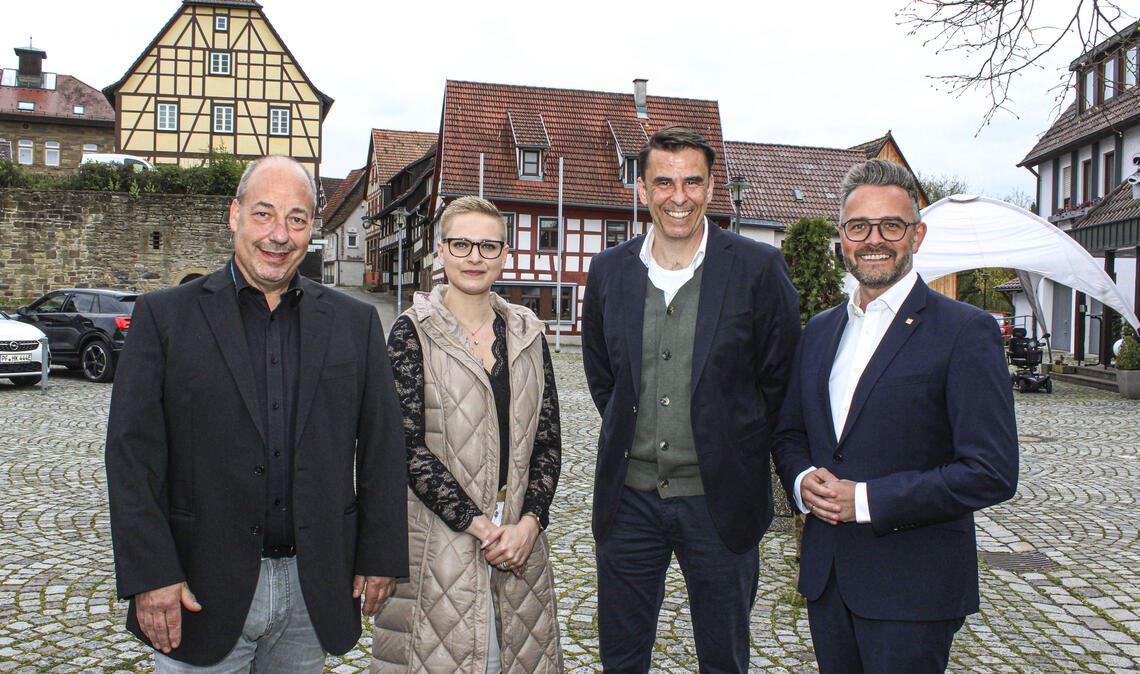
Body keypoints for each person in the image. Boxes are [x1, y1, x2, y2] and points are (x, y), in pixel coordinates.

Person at [105, 156, 408, 671]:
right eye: (264, 214)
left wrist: (380, 555)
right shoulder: (164, 318)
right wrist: (150, 572)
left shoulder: (354, 324)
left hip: (314, 586)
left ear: (313, 227)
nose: (279, 235)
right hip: (197, 585)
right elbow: (132, 456)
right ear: (234, 215)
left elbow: (381, 446)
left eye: (296, 219)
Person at [772, 158, 1019, 673]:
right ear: (842, 236)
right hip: (828, 578)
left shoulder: (963, 332)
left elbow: (991, 471)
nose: (875, 239)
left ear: (917, 234)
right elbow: (791, 431)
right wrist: (800, 481)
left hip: (914, 588)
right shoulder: (819, 330)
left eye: (892, 225)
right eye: (859, 226)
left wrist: (864, 499)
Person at [581, 126, 801, 673]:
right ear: (642, 190)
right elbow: (604, 377)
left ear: (711, 189)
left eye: (692, 182)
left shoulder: (756, 269)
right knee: (621, 657)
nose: (678, 196)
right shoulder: (609, 272)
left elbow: (780, 380)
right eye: (664, 182)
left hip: (720, 501)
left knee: (724, 658)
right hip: (628, 501)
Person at [371, 196, 563, 673]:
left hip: (520, 545)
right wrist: (480, 527)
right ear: (440, 252)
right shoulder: (411, 332)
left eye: (487, 245)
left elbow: (548, 440)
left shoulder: (529, 334)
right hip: (440, 548)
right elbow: (407, 447)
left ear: (504, 254)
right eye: (461, 244)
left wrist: (529, 524)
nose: (474, 257)